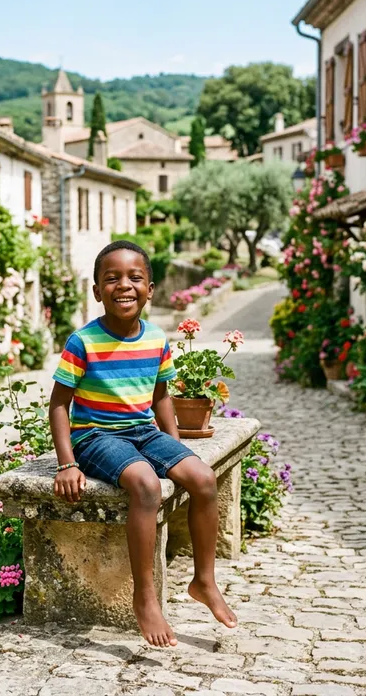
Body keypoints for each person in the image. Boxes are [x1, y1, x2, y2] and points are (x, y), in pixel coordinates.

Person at [48, 240, 237, 647]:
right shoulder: (82, 343)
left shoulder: (156, 338)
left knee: (203, 478)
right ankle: (145, 596)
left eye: (135, 277)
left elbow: (161, 397)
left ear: (150, 289)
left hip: (144, 431)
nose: (124, 286)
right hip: (95, 436)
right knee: (146, 486)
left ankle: (204, 581)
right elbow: (59, 407)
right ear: (97, 290)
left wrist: (175, 448)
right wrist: (67, 463)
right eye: (111, 278)